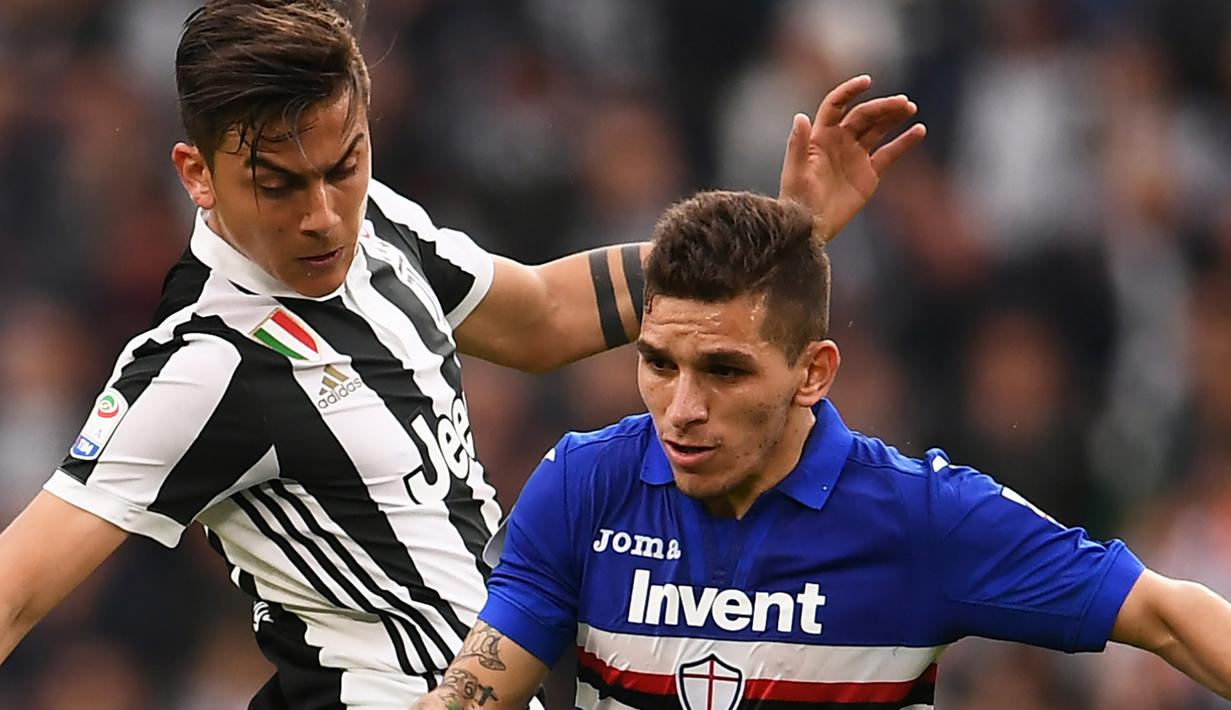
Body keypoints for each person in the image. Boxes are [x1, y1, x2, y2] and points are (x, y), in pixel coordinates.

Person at [0, 1, 926, 707]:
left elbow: (545, 317)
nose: (324, 214)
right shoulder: (202, 361)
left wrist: (782, 237)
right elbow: (17, 593)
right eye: (277, 186)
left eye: (344, 165)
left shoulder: (383, 230)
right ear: (195, 173)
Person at [415, 191, 1231, 710]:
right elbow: (470, 697)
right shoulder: (584, 484)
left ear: (814, 373)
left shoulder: (923, 517)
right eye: (658, 364)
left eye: (724, 371)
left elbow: (1167, 617)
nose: (682, 410)